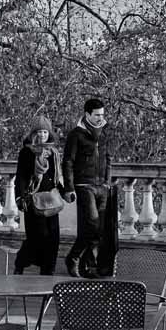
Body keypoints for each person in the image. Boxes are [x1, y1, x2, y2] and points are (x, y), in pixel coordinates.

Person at [62, 97, 115, 278]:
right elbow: (68, 161)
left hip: (102, 187)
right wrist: (69, 188)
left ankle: (89, 266)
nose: (101, 118)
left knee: (97, 229)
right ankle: (74, 257)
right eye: (97, 115)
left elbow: (108, 158)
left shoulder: (104, 134)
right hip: (84, 186)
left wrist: (107, 182)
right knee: (92, 224)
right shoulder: (76, 134)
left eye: (102, 114)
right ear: (87, 114)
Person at [14, 116, 64, 275]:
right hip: (32, 199)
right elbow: (21, 176)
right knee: (37, 238)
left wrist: (66, 192)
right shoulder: (26, 152)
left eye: (44, 131)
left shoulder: (54, 153)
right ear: (33, 134)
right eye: (38, 132)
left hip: (51, 200)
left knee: (53, 239)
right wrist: (20, 197)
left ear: (49, 133)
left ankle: (48, 272)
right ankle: (21, 261)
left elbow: (56, 179)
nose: (42, 135)